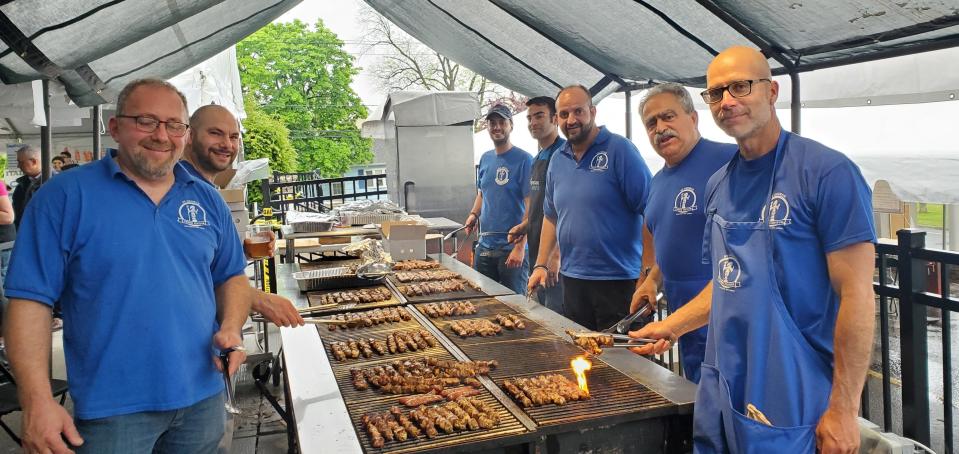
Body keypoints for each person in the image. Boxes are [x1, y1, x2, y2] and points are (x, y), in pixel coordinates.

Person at [632, 47, 876, 454]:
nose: (727, 101)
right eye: (716, 93)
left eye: (740, 87)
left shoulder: (826, 173)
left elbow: (858, 297)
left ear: (772, 91)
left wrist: (844, 410)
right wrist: (673, 325)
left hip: (794, 389)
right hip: (723, 382)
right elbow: (729, 283)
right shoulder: (719, 185)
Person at [4, 78, 252, 454]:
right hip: (113, 410)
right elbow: (30, 302)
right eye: (146, 121)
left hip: (204, 394)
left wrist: (231, 327)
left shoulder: (206, 197)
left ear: (184, 134)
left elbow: (231, 275)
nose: (161, 135)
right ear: (115, 127)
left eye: (174, 125)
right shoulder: (65, 195)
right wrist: (37, 400)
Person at [629, 83, 737, 384]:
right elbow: (670, 240)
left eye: (668, 117)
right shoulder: (658, 181)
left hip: (729, 323)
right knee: (699, 403)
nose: (660, 128)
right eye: (651, 123)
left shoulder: (731, 161)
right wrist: (651, 280)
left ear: (693, 118)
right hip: (683, 323)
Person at [528, 85, 653, 331]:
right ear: (557, 119)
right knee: (583, 360)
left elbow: (650, 210)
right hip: (573, 280)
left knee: (625, 364)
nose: (571, 120)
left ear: (593, 111)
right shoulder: (557, 159)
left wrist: (648, 274)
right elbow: (551, 216)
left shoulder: (620, 150)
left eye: (578, 111)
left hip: (620, 281)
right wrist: (541, 264)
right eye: (564, 114)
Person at [182, 104, 304, 327]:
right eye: (215, 133)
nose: (227, 144)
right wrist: (255, 297)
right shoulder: (181, 189)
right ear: (189, 135)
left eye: (234, 136)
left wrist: (242, 254)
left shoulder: (208, 190)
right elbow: (182, 275)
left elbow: (204, 260)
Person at [464, 104, 532, 295]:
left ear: (511, 125)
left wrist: (520, 247)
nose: (497, 127)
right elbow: (482, 193)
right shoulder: (485, 159)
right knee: (484, 301)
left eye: (502, 122)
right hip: (485, 246)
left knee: (515, 307)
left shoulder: (525, 160)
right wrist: (473, 214)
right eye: (492, 123)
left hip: (510, 249)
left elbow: (531, 207)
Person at [507, 96, 565, 315]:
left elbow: (565, 211)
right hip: (537, 254)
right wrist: (525, 226)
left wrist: (555, 255)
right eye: (530, 118)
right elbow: (541, 206)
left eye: (539, 116)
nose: (533, 122)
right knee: (542, 316)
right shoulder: (537, 157)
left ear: (555, 118)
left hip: (555, 260)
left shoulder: (564, 155)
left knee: (557, 319)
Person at [12, 145, 42, 230]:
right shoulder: (21, 185)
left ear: (33, 162)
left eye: (20, 162)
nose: (18, 166)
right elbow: (17, 213)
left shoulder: (56, 182)